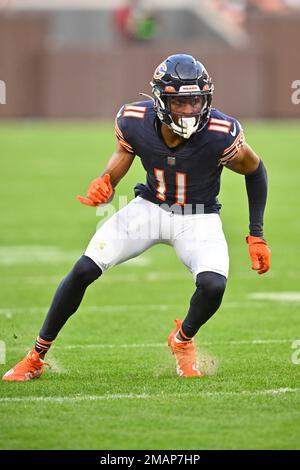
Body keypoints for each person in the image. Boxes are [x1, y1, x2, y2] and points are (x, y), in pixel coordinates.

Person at [2, 54, 270, 381]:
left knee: (213, 285)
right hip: (149, 208)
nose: (189, 110)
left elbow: (256, 170)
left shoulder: (220, 132)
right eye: (179, 102)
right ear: (160, 100)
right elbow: (122, 154)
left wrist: (256, 233)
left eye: (195, 100)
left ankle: (182, 339)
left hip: (199, 216)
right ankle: (36, 355)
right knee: (85, 268)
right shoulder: (134, 120)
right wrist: (106, 181)